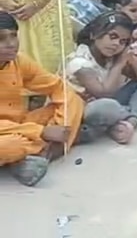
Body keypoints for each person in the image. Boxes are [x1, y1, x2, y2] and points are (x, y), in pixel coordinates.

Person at [0, 12, 84, 187]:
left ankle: (40, 153)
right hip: (10, 134)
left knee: (72, 99)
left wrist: (47, 127)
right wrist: (41, 132)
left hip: (20, 124)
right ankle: (48, 149)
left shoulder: (19, 61)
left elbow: (57, 87)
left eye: (13, 36)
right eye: (1, 39)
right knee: (10, 146)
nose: (11, 44)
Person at [66, 11, 137, 145]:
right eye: (112, 36)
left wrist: (132, 58)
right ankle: (135, 113)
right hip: (84, 110)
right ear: (94, 34)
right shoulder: (79, 62)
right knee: (106, 106)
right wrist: (120, 64)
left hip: (109, 103)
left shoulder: (110, 55)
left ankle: (129, 122)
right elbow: (103, 93)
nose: (116, 44)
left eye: (123, 41)